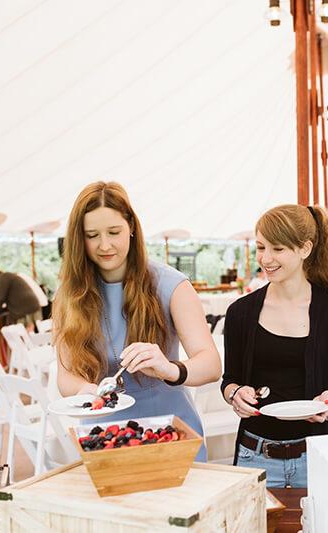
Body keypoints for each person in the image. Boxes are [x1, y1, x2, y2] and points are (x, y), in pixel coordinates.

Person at [54, 182, 221, 461]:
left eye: (114, 232)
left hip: (171, 436)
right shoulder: (68, 296)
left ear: (131, 226)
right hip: (103, 438)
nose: (104, 245)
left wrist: (169, 369)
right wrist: (88, 391)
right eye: (92, 235)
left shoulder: (172, 285)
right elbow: (65, 375)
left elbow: (211, 365)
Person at [221, 204, 328, 488]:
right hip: (255, 454)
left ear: (305, 249)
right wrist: (235, 394)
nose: (266, 258)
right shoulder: (240, 312)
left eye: (278, 248)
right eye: (261, 247)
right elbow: (230, 380)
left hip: (319, 455)